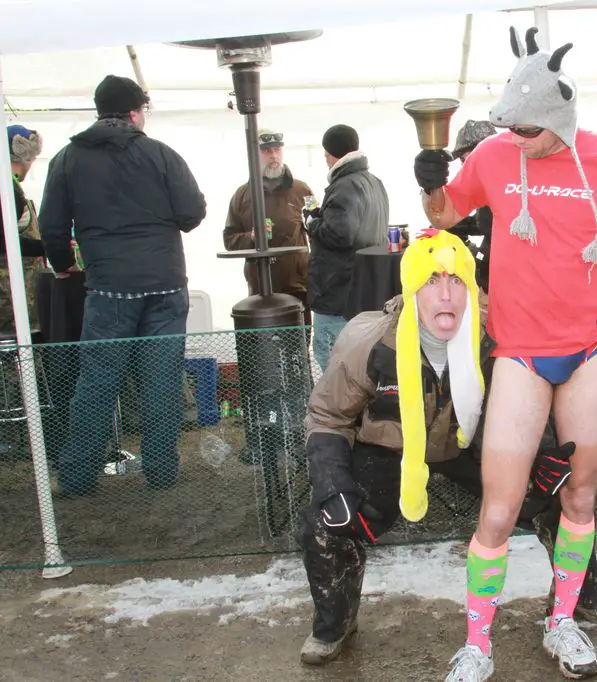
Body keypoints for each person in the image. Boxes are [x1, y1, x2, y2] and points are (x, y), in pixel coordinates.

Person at [413, 27, 597, 680]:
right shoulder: (494, 157)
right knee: (501, 508)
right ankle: (476, 646)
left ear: (558, 116)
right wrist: (431, 185)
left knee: (580, 498)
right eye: (509, 126)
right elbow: (447, 214)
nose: (515, 137)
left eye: (526, 128)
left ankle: (561, 622)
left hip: (591, 354)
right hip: (520, 357)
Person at [298, 230, 597, 671]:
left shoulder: (498, 337)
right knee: (325, 522)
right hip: (392, 449)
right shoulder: (371, 342)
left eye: (456, 281)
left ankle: (581, 599)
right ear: (412, 289)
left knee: (561, 493)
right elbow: (327, 416)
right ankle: (334, 624)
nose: (446, 294)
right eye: (432, 281)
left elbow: (535, 391)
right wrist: (332, 480)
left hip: (473, 443)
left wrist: (544, 451)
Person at [39, 74, 207, 496]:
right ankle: (162, 473)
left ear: (100, 110)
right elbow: (191, 213)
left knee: (96, 382)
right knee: (162, 380)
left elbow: (52, 226)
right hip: (165, 284)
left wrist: (62, 265)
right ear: (135, 112)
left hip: (108, 288)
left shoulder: (67, 159)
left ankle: (77, 478)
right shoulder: (161, 155)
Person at [302, 124, 389, 372]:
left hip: (338, 293)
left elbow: (339, 234)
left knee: (332, 355)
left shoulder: (343, 186)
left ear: (331, 155)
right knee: (362, 356)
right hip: (366, 290)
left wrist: (311, 222)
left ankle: (341, 409)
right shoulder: (374, 183)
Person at [223, 128, 314, 328]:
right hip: (260, 290)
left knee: (299, 345)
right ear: (254, 156)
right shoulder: (242, 196)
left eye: (277, 150)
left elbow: (319, 229)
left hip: (297, 286)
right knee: (264, 349)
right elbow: (229, 239)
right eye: (266, 151)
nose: (273, 156)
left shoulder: (303, 190)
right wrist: (252, 237)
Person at [0, 125, 47, 334]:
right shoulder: (8, 191)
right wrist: (46, 247)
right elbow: (5, 241)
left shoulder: (10, 187)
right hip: (11, 294)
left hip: (14, 291)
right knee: (18, 352)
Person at [446, 120, 497, 293]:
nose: (466, 165)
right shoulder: (482, 183)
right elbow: (484, 220)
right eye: (463, 160)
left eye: (470, 158)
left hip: (503, 277)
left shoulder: (510, 184)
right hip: (486, 271)